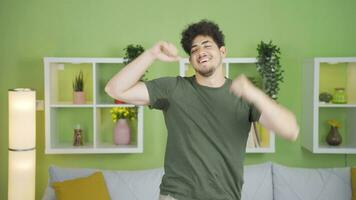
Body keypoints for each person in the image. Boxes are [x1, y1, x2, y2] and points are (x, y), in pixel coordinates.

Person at [105, 20, 299, 200]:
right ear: (190, 59)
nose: (201, 52)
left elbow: (291, 130)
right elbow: (114, 89)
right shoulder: (173, 89)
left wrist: (254, 93)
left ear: (222, 51)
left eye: (207, 45)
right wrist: (152, 54)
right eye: (194, 49)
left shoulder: (244, 96)